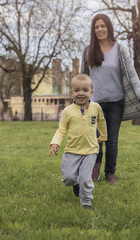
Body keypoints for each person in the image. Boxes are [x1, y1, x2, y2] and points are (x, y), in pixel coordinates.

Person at [81, 14, 140, 183]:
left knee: (112, 140)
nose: (100, 29)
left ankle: (110, 172)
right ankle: (95, 165)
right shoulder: (88, 50)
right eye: (96, 27)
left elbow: (131, 73)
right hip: (94, 103)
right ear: (93, 30)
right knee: (96, 139)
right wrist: (79, 98)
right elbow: (83, 76)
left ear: (109, 28)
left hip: (115, 102)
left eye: (103, 26)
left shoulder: (120, 48)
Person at [49, 74, 107, 209]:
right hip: (72, 151)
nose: (81, 93)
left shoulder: (96, 107)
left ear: (91, 92)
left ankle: (86, 202)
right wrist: (55, 142)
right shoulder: (67, 111)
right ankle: (75, 184)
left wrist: (103, 136)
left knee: (86, 178)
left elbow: (101, 122)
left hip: (91, 150)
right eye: (77, 90)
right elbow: (61, 130)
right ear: (71, 93)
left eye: (85, 90)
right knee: (68, 178)